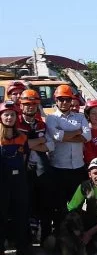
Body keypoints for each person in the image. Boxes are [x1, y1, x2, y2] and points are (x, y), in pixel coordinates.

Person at [45, 84, 91, 230]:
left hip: (78, 168)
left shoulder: (80, 116)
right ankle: (60, 238)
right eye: (61, 99)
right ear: (56, 100)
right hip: (59, 169)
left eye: (67, 99)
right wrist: (77, 132)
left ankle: (78, 237)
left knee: (77, 205)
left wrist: (65, 136)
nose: (64, 102)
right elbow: (57, 136)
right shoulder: (51, 118)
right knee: (59, 206)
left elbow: (87, 136)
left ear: (72, 100)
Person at [16, 89, 54, 243]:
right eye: (27, 104)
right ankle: (25, 240)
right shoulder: (15, 122)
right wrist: (38, 142)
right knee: (25, 204)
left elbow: (50, 146)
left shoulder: (41, 124)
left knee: (45, 202)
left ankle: (45, 237)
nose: (30, 106)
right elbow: (18, 145)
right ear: (21, 105)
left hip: (41, 169)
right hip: (22, 169)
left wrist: (28, 143)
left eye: (33, 103)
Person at [0, 100, 35, 255]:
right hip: (2, 182)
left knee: (22, 215)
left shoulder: (22, 137)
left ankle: (23, 250)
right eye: (6, 114)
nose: (9, 117)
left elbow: (25, 158)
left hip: (19, 180)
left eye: (12, 115)